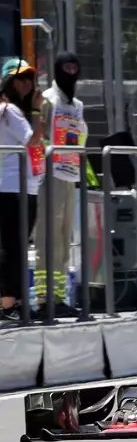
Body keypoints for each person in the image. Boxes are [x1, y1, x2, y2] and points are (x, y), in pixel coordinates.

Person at [36, 52, 86, 315]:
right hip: (49, 175)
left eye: (74, 67)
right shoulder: (47, 100)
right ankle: (44, 300)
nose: (71, 71)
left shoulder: (77, 104)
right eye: (66, 67)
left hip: (71, 175)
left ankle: (59, 297)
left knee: (65, 240)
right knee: (48, 239)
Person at [0, 59, 43, 319]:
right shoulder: (10, 111)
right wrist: (37, 111)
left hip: (19, 185)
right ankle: (8, 304)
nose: (27, 84)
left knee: (13, 246)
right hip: (14, 187)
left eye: (30, 79)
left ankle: (10, 301)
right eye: (21, 79)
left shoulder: (12, 110)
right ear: (8, 81)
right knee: (13, 247)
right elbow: (34, 140)